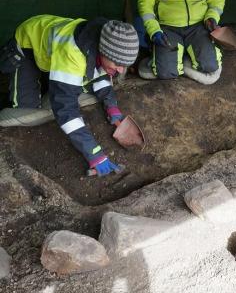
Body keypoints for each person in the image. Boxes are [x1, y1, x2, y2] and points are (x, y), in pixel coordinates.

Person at [0, 14, 139, 176]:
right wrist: (94, 153)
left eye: (125, 65)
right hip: (28, 43)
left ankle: (55, 81)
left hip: (53, 45)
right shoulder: (72, 55)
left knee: (78, 85)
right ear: (103, 52)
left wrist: (112, 107)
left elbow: (100, 74)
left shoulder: (102, 42)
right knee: (27, 111)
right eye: (118, 64)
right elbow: (66, 111)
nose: (121, 70)